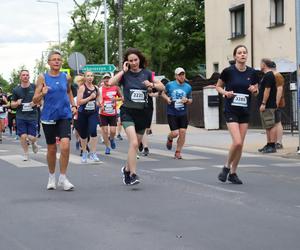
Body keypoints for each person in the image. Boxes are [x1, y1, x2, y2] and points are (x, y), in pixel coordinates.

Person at [109, 47, 165, 185]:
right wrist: (123, 70)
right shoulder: (125, 75)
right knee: (133, 143)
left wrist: (151, 84)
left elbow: (162, 87)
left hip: (143, 113)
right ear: (126, 62)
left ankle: (126, 170)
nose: (133, 63)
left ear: (140, 60)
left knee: (135, 146)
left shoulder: (147, 73)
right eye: (130, 61)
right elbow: (110, 83)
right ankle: (133, 174)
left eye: (135, 60)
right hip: (128, 111)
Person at [33, 50, 76, 191]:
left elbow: (69, 91)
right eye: (54, 59)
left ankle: (63, 178)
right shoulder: (42, 78)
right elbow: (35, 99)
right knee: (52, 148)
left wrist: (73, 105)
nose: (57, 61)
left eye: (59, 59)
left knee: (65, 146)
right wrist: (42, 93)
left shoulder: (66, 77)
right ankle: (52, 177)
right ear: (49, 62)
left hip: (64, 115)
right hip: (49, 116)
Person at [216, 45, 259, 184]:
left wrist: (254, 90)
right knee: (238, 141)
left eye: (244, 53)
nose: (242, 55)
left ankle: (233, 173)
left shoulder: (252, 73)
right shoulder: (228, 71)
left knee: (240, 145)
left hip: (244, 112)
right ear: (235, 56)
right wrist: (225, 93)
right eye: (239, 53)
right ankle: (226, 167)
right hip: (231, 110)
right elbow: (218, 86)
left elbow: (256, 90)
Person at [161, 67, 192, 159]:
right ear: (175, 76)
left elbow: (191, 100)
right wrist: (167, 99)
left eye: (183, 74)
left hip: (183, 113)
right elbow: (163, 93)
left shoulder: (188, 87)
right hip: (172, 112)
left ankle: (178, 152)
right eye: (180, 75)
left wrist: (186, 100)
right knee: (175, 133)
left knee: (182, 132)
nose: (182, 76)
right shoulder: (170, 85)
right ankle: (169, 138)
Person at [11, 70, 39, 161]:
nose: (25, 76)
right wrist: (17, 103)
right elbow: (12, 104)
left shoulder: (34, 87)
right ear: (20, 77)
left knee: (31, 137)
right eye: (23, 75)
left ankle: (34, 143)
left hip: (32, 115)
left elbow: (40, 100)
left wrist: (35, 103)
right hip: (21, 116)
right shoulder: (16, 90)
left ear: (29, 76)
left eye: (27, 75)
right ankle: (26, 154)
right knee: (23, 136)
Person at [76, 71, 101, 163]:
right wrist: (90, 98)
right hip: (83, 113)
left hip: (93, 113)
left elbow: (98, 98)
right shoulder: (82, 88)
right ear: (85, 77)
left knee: (93, 131)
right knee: (83, 135)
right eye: (88, 76)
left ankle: (93, 153)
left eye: (91, 76)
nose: (90, 78)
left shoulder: (96, 88)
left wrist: (99, 103)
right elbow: (79, 102)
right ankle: (85, 152)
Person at [99, 73, 123, 155]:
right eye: (105, 78)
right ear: (103, 80)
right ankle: (107, 147)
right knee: (105, 131)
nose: (107, 80)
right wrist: (100, 105)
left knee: (113, 131)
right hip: (103, 113)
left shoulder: (116, 88)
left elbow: (122, 98)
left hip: (113, 113)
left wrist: (115, 100)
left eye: (108, 78)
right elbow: (97, 100)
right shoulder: (100, 89)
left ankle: (112, 139)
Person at [257, 58, 278, 153]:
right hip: (266, 105)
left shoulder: (269, 75)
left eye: (261, 64)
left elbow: (267, 90)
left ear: (264, 64)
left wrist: (263, 103)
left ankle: (272, 145)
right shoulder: (266, 76)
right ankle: (268, 143)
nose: (260, 65)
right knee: (267, 125)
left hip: (268, 105)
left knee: (270, 124)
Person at [272, 61, 285, 149]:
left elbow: (279, 90)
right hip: (276, 102)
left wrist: (276, 102)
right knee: (276, 122)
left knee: (277, 122)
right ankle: (276, 142)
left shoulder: (277, 76)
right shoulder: (277, 75)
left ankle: (279, 142)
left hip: (277, 103)